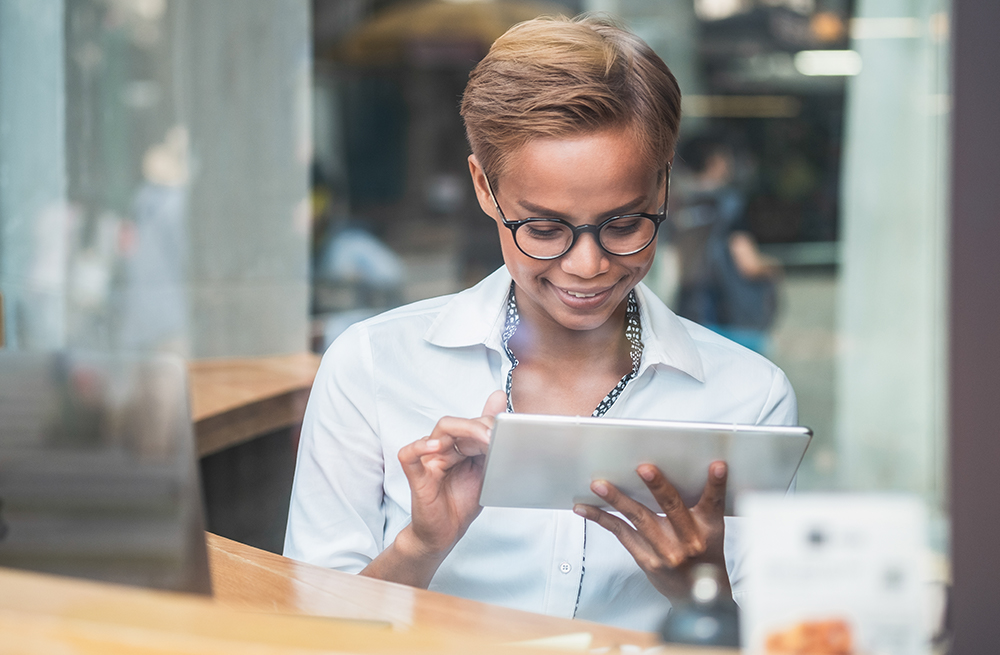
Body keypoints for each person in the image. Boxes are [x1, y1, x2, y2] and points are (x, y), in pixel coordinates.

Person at [284, 15, 797, 632]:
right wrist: (419, 548)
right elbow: (308, 635)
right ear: (483, 186)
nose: (588, 266)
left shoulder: (748, 397)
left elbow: (781, 637)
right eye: (545, 229)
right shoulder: (371, 365)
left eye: (625, 224)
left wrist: (701, 598)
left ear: (664, 186)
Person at [672, 135, 782, 355]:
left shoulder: (675, 204)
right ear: (714, 161)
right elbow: (748, 264)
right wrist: (774, 267)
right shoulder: (730, 205)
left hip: (688, 313)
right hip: (732, 315)